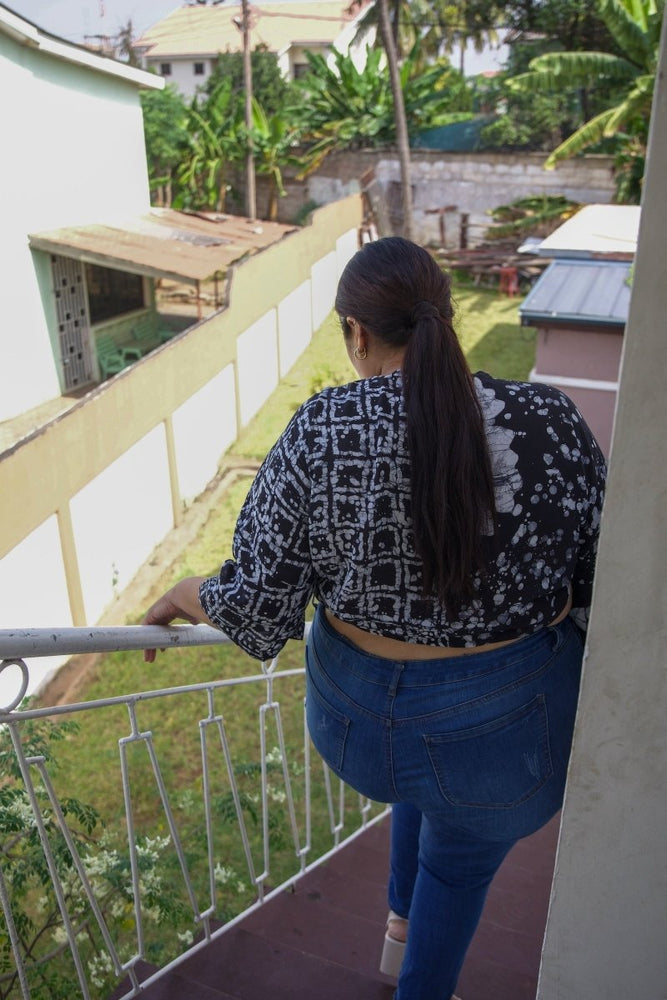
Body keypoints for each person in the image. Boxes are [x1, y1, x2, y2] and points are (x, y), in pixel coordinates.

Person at [143, 237, 606, 1000]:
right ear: (448, 319)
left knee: (422, 783)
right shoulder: (548, 421)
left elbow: (258, 606)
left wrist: (188, 589)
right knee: (456, 858)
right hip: (502, 738)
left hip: (357, 729)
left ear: (356, 333)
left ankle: (396, 922)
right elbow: (592, 584)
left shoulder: (323, 427)